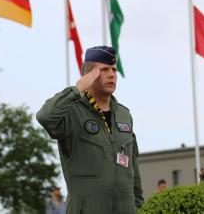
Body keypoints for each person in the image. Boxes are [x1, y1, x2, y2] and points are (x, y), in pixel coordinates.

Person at [37, 46, 144, 214]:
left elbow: (133, 168)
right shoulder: (71, 111)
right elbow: (45, 116)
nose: (111, 75)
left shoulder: (124, 115)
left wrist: (138, 206)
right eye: (103, 70)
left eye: (114, 70)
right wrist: (77, 88)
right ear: (88, 75)